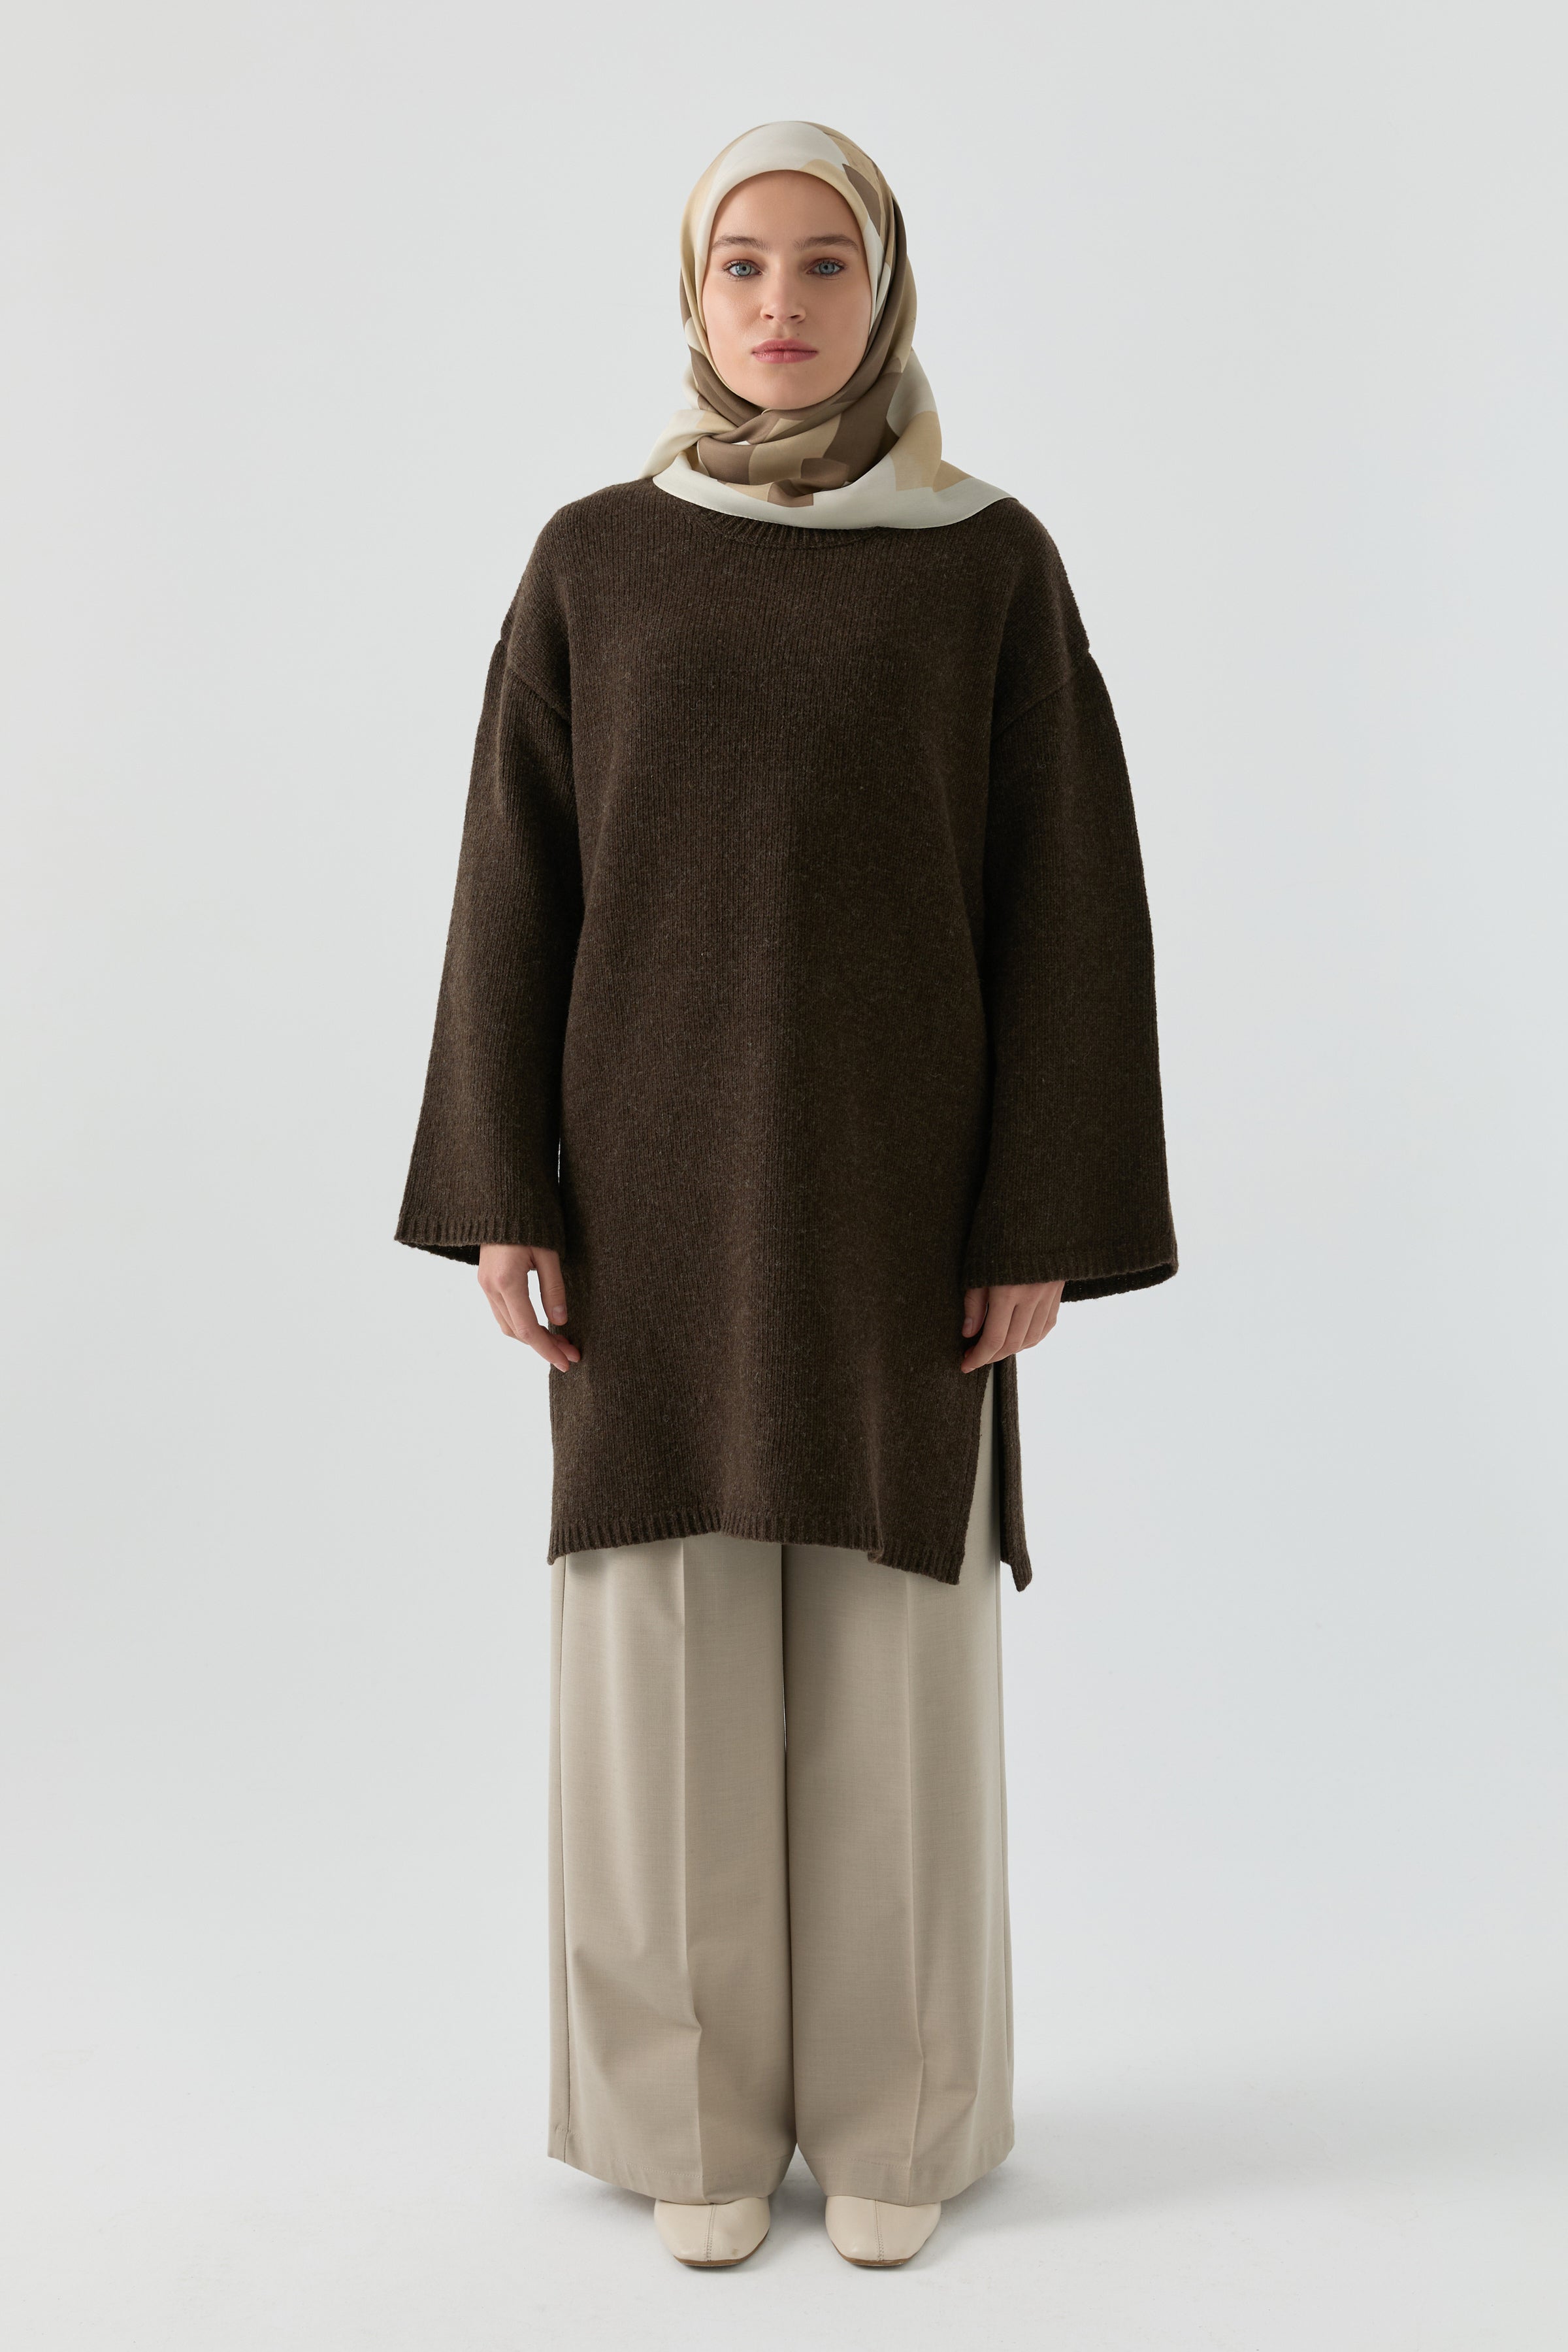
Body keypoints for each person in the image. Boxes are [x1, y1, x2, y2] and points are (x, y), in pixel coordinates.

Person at [395, 120, 1176, 2270]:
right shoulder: (595, 561)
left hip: (904, 1206)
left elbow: (1067, 904)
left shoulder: (987, 563)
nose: (780, 303)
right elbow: (513, 885)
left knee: (893, 1672)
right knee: (661, 1670)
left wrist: (1040, 1216)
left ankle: (902, 2122)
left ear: (884, 290)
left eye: (825, 263)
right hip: (643, 1205)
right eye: (742, 263)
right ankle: (688, 2124)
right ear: (694, 292)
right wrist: (503, 1186)